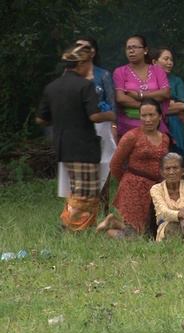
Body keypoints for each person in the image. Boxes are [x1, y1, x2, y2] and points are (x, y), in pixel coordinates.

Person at [36, 45, 115, 231]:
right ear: (82, 63)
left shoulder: (52, 87)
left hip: (63, 146)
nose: (91, 68)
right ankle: (72, 226)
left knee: (77, 189)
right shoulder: (85, 86)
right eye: (89, 63)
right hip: (84, 147)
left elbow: (41, 118)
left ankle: (75, 226)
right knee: (86, 193)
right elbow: (94, 116)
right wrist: (110, 115)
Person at [57, 37, 117, 214]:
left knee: (103, 165)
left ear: (93, 52)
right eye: (77, 46)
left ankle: (103, 209)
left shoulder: (103, 75)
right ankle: (73, 212)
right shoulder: (67, 76)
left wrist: (114, 127)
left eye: (85, 47)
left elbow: (112, 103)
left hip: (100, 127)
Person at [99, 98, 170, 238]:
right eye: (144, 115)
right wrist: (128, 182)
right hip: (133, 188)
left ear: (160, 116)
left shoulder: (165, 138)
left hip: (154, 188)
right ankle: (109, 230)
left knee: (150, 233)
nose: (148, 119)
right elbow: (115, 164)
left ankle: (114, 222)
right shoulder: (132, 136)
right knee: (135, 237)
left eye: (151, 115)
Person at [112, 34, 170, 139]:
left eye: (135, 47)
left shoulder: (158, 70)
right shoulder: (120, 72)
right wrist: (150, 109)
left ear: (145, 50)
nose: (131, 51)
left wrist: (140, 95)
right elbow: (121, 98)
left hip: (156, 127)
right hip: (128, 129)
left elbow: (165, 93)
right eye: (128, 48)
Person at [151, 47, 184, 157]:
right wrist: (170, 104)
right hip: (153, 125)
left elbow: (182, 106)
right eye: (166, 59)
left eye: (171, 60)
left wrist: (157, 108)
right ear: (154, 62)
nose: (170, 63)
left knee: (177, 156)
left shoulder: (176, 81)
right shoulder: (147, 81)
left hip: (175, 124)